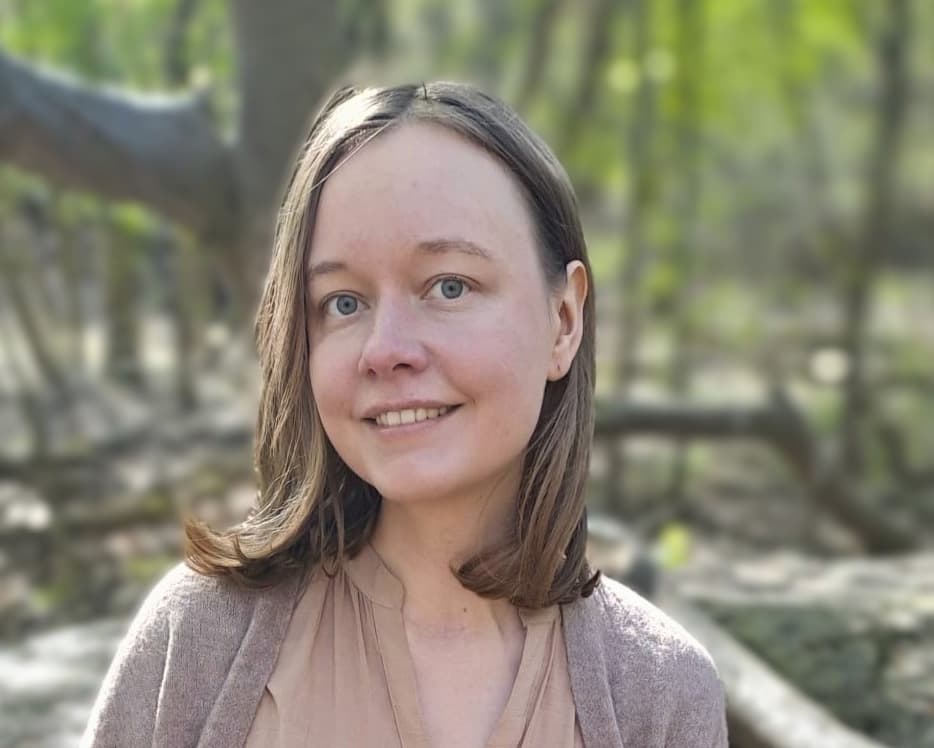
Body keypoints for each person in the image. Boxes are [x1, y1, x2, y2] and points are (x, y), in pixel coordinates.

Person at [81, 82, 727, 748]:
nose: (385, 351)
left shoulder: (661, 692)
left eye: (450, 285)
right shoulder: (201, 644)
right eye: (342, 302)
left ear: (563, 321)